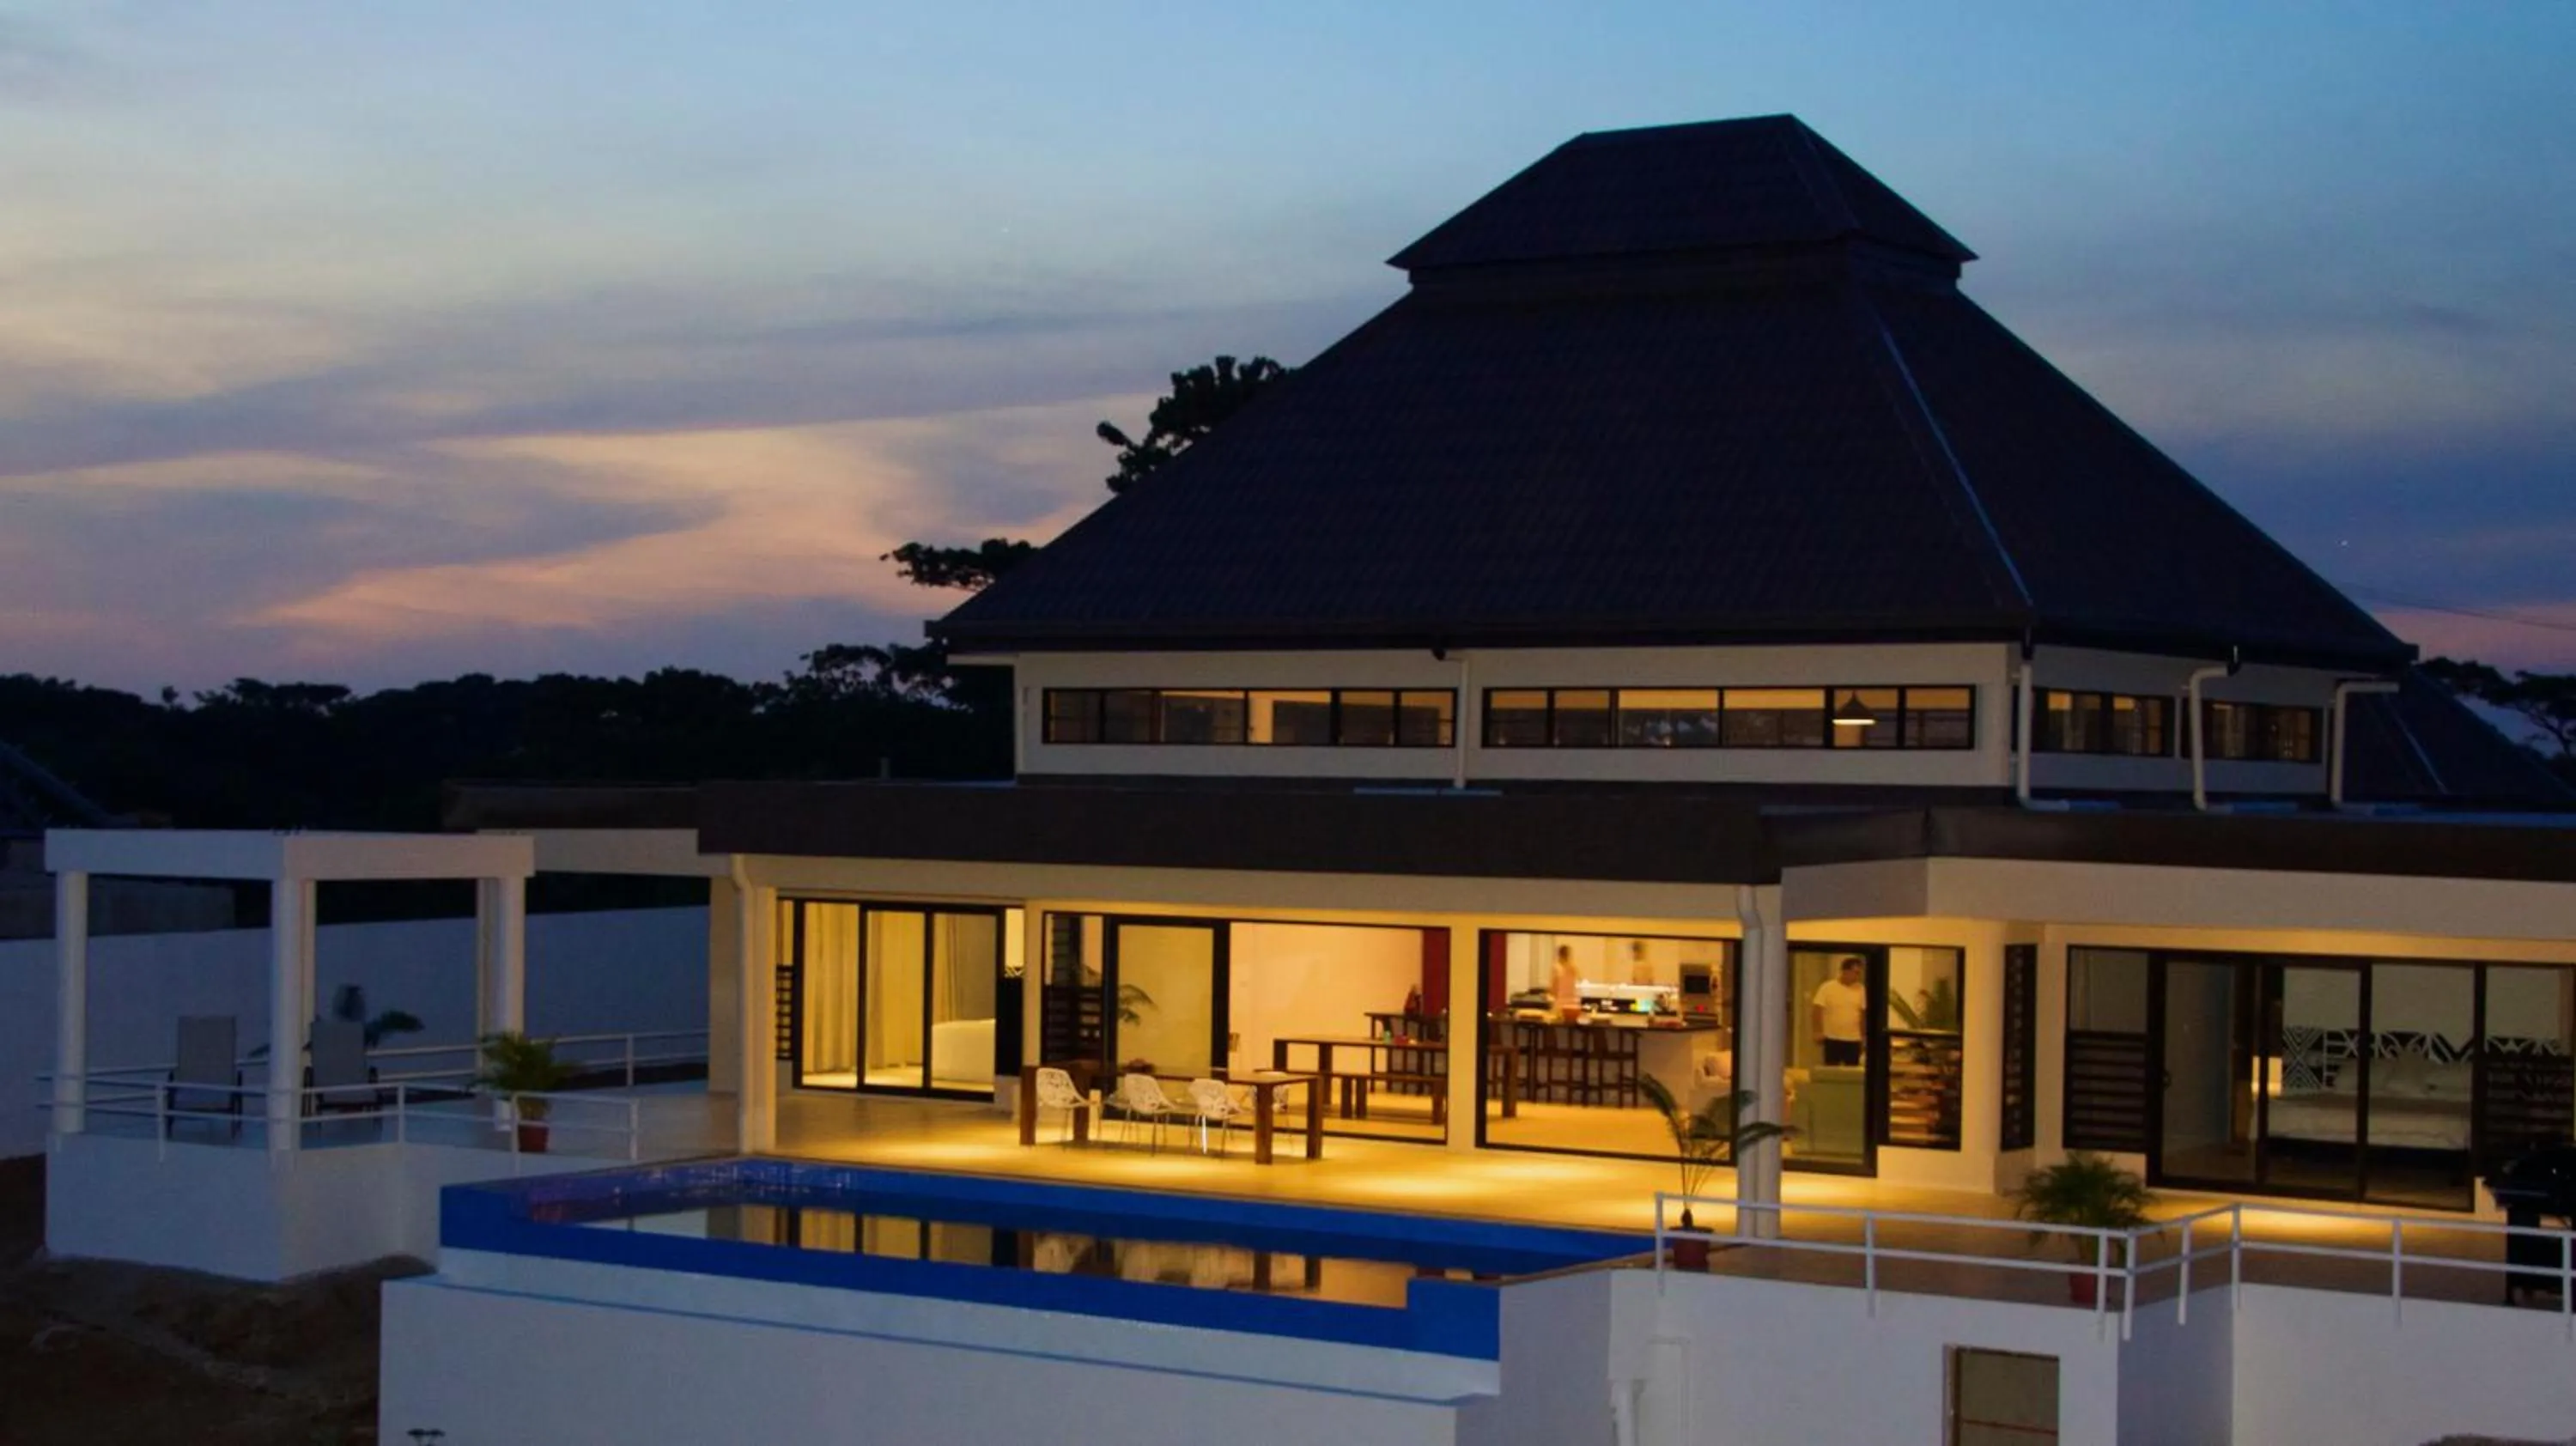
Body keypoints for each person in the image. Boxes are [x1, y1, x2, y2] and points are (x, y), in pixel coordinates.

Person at [1810, 957, 1868, 1066]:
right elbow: (1817, 1010)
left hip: (1853, 1039)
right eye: (1855, 972)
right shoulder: (1827, 988)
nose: (1857, 976)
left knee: (1851, 1071)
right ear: (1845, 971)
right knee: (1831, 1069)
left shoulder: (1861, 990)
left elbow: (1863, 1014)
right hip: (1832, 1037)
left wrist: (1863, 1036)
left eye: (1859, 973)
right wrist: (1817, 1031)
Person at [1550, 944, 1583, 1018]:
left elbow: (1553, 988)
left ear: (1559, 955)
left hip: (1561, 1002)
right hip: (1573, 1003)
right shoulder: (1573, 967)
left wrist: (1550, 995)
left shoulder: (1556, 968)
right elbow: (1579, 982)